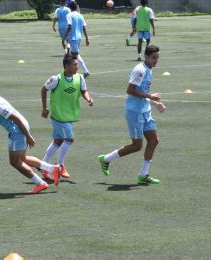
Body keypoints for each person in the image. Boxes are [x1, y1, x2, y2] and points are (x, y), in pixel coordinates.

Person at [0, 80, 61, 194]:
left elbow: (16, 119)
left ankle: (40, 183)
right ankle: (53, 169)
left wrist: (28, 136)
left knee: (15, 162)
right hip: (19, 128)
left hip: (18, 131)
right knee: (23, 159)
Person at [98, 45, 166, 184]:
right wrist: (151, 97)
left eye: (157, 58)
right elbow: (130, 90)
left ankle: (143, 175)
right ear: (146, 57)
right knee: (136, 146)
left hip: (145, 110)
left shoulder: (149, 69)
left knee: (154, 141)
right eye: (153, 58)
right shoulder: (140, 70)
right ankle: (105, 159)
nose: (156, 61)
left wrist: (154, 103)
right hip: (134, 112)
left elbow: (142, 91)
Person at [41, 55, 93, 179]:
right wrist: (44, 108)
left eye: (77, 64)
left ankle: (43, 166)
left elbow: (83, 90)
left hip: (69, 115)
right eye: (74, 64)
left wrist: (88, 99)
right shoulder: (56, 79)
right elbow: (44, 90)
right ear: (66, 66)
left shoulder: (80, 78)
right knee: (69, 139)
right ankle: (59, 166)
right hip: (58, 116)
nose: (77, 66)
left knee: (58, 141)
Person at [63, 1, 90, 78]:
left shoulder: (69, 15)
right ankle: (69, 69)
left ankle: (85, 71)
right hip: (79, 37)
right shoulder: (80, 15)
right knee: (72, 54)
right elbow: (84, 27)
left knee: (76, 55)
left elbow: (70, 26)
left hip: (73, 38)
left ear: (70, 8)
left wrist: (64, 37)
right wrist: (87, 38)